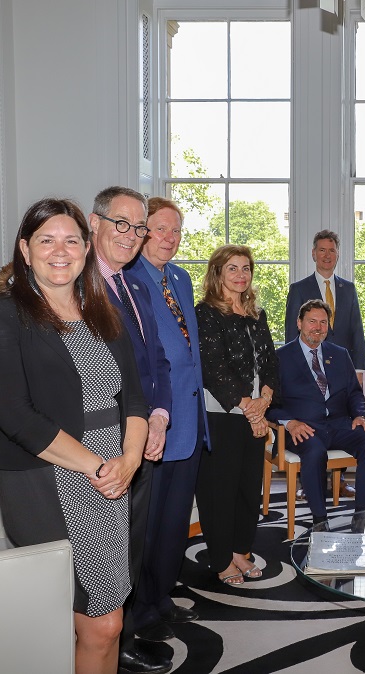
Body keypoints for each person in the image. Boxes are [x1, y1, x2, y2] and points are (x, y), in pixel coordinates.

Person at [0, 198, 149, 674]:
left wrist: (129, 460)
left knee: (108, 622)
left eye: (71, 240)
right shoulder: (1, 314)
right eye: (46, 240)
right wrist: (99, 467)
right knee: (89, 622)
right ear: (25, 250)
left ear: (87, 249)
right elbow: (18, 418)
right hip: (49, 481)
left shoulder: (101, 312)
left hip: (112, 477)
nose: (60, 250)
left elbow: (132, 397)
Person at [89, 186, 174, 674]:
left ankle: (125, 634)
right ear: (95, 222)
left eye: (138, 226)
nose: (132, 235)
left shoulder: (135, 286)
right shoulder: (79, 288)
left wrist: (158, 417)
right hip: (105, 441)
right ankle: (107, 643)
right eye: (121, 223)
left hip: (141, 431)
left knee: (133, 539)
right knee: (110, 548)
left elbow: (155, 359)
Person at [126, 197, 210, 645]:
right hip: (154, 427)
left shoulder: (179, 277)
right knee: (148, 524)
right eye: (159, 230)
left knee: (176, 522)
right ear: (141, 233)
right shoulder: (126, 280)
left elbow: (190, 353)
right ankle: (137, 612)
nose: (169, 239)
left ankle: (161, 598)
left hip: (189, 423)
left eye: (176, 231)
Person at [195, 245, 279, 584]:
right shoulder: (206, 313)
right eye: (232, 268)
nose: (241, 275)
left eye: (246, 268)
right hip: (223, 414)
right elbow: (214, 369)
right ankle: (220, 560)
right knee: (221, 491)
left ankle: (240, 552)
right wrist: (253, 411)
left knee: (248, 489)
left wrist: (266, 398)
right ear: (218, 273)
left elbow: (271, 361)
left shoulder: (256, 313)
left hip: (255, 412)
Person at [268, 299, 365, 524]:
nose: (318, 327)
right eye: (312, 321)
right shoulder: (279, 357)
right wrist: (289, 422)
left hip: (340, 424)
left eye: (323, 322)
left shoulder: (340, 354)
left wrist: (361, 415)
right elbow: (269, 403)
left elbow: (354, 392)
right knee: (314, 453)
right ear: (299, 323)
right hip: (303, 428)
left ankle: (363, 515)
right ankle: (320, 520)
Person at [284, 230, 365, 499]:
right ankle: (312, 482)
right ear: (313, 254)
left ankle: (338, 483)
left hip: (340, 371)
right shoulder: (298, 288)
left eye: (332, 250)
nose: (327, 255)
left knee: (339, 419)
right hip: (307, 369)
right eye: (322, 250)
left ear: (337, 254)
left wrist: (358, 370)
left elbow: (357, 332)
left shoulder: (349, 288)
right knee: (315, 422)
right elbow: (290, 334)